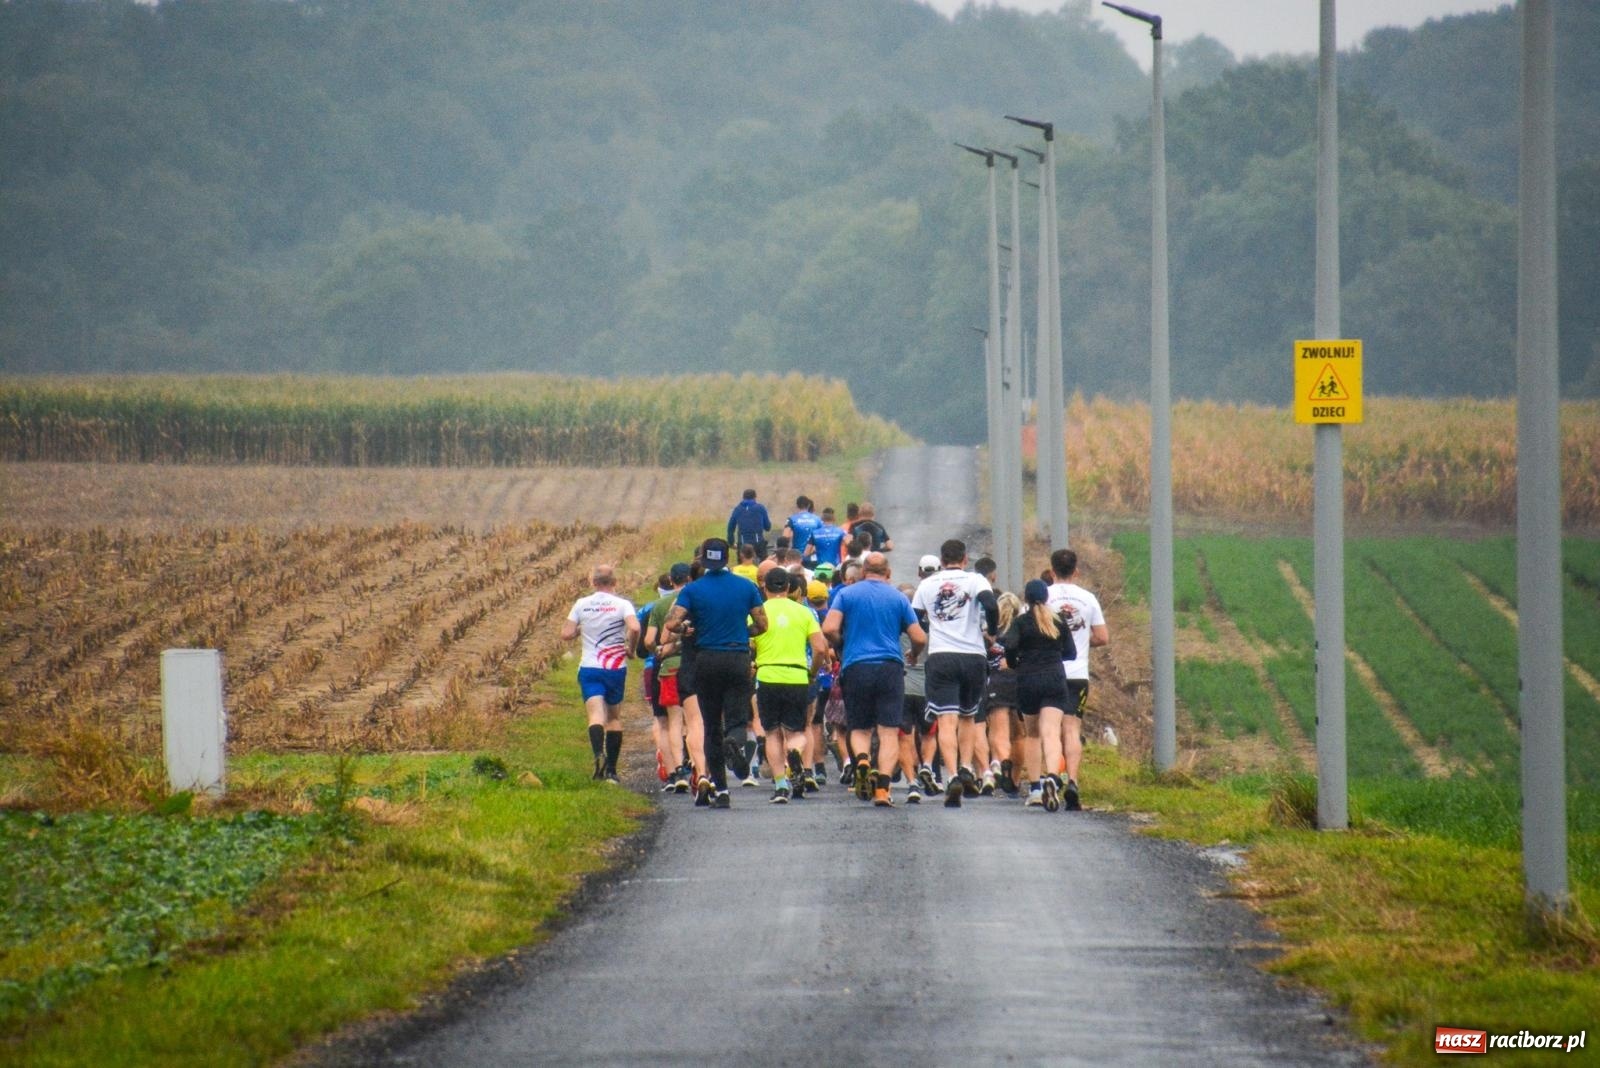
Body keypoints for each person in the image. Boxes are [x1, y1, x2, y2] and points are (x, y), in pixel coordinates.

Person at [665, 539, 767, 809]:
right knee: (736, 717)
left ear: (703, 560)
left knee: (710, 725)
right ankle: (734, 741)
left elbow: (672, 622)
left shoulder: (693, 589)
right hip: (737, 657)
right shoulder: (746, 587)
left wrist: (687, 629)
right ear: (727, 558)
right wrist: (741, 632)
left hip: (705, 659)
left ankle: (721, 790)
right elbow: (762, 624)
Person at [822, 552, 926, 806]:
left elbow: (829, 628)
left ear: (863, 571)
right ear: (888, 573)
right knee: (889, 731)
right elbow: (920, 637)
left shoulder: (847, 594)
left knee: (859, 727)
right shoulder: (898, 597)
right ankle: (882, 790)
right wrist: (913, 653)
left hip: (856, 667)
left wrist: (842, 645)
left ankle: (863, 760)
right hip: (890, 668)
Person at [911, 539, 998, 807]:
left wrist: (929, 631)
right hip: (973, 655)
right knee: (969, 717)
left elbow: (914, 618)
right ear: (964, 559)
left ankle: (951, 777)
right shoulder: (975, 580)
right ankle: (966, 767)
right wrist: (991, 632)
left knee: (946, 720)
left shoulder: (926, 585)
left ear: (942, 558)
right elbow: (991, 605)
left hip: (941, 656)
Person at [751, 568, 830, 803]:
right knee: (796, 731)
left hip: (767, 675)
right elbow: (819, 648)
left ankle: (780, 785)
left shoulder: (758, 612)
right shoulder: (804, 613)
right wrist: (813, 672)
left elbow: (749, 643)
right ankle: (795, 753)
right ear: (788, 588)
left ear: (765, 588)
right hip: (796, 677)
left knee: (773, 732)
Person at [1001, 579, 1078, 811]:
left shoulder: (1021, 622)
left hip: (1028, 679)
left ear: (1025, 598)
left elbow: (1010, 645)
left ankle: (1035, 789)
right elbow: (1071, 653)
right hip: (1055, 678)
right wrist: (1052, 657)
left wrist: (1016, 662)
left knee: (1032, 735)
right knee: (1052, 733)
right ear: (1046, 597)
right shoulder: (1058, 620)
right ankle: (1052, 777)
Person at [560, 564, 640, 782]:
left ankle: (598, 755)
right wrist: (631, 650)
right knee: (613, 718)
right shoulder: (623, 604)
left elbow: (565, 634)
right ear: (615, 583)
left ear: (593, 583)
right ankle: (612, 770)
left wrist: (579, 629)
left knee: (595, 715)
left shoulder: (581, 604)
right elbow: (634, 628)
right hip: (614, 667)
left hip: (590, 667)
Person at [1046, 548, 1109, 811]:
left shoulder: (1043, 596)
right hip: (1078, 674)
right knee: (1072, 730)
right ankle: (1073, 780)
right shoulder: (1088, 598)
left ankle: (1051, 776)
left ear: (1051, 572)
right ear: (1076, 571)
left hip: (1050, 671)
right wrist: (1082, 642)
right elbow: (1103, 637)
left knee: (1050, 729)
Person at [644, 562, 693, 793]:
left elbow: (648, 641)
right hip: (694, 665)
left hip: (668, 668)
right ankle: (697, 767)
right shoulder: (695, 599)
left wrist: (659, 652)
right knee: (693, 721)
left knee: (671, 722)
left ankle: (676, 772)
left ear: (671, 581)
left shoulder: (661, 604)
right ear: (690, 579)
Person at [727, 488, 771, 562]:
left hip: (743, 545)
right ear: (755, 497)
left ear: (743, 497)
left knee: (741, 567)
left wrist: (731, 542)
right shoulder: (760, 508)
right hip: (758, 544)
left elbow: (730, 528)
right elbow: (768, 527)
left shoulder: (737, 509)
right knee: (764, 566)